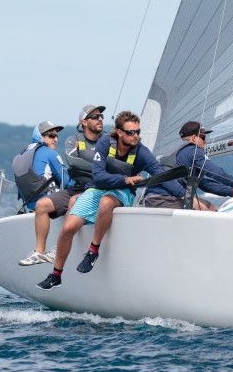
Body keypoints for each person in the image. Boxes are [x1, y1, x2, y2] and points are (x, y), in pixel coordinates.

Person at [35, 110, 185, 290]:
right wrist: (125, 179)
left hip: (123, 193)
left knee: (106, 202)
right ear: (120, 132)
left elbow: (162, 176)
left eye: (137, 132)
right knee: (67, 228)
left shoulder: (142, 152)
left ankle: (93, 251)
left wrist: (186, 197)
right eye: (131, 132)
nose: (135, 136)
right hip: (98, 188)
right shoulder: (105, 143)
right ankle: (56, 275)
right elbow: (98, 176)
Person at [18, 105, 107, 266]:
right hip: (78, 187)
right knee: (43, 204)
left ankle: (58, 249)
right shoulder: (65, 145)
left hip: (96, 187)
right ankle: (39, 252)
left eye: (56, 135)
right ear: (83, 122)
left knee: (72, 200)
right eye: (50, 135)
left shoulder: (25, 153)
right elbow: (67, 176)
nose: (55, 139)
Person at [144, 121, 233, 210]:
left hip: (152, 199)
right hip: (166, 200)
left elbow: (203, 183)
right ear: (194, 138)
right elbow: (213, 171)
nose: (205, 141)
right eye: (203, 137)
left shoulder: (178, 153)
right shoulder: (194, 150)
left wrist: (231, 191)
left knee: (209, 207)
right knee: (210, 210)